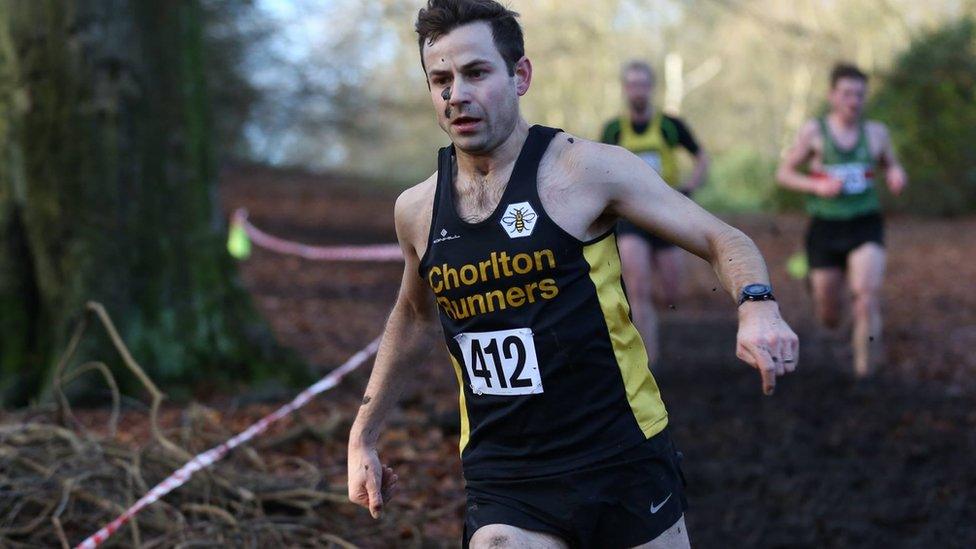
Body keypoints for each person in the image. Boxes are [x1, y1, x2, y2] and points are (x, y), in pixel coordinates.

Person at [347, 1, 798, 547]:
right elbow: (415, 316)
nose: (456, 94)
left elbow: (721, 238)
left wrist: (757, 305)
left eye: (476, 73)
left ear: (520, 76)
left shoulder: (587, 170)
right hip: (506, 473)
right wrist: (362, 437)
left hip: (621, 455)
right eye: (439, 79)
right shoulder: (417, 209)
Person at [776, 63, 907, 378]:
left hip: (865, 224)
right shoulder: (814, 132)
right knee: (830, 316)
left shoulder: (876, 133)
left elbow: (891, 163)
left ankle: (865, 374)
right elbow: (784, 173)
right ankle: (820, 290)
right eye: (847, 93)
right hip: (825, 227)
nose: (854, 100)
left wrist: (895, 173)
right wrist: (817, 185)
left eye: (860, 94)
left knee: (866, 297)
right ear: (832, 95)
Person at [600, 61, 709, 366]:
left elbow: (701, 157)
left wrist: (690, 186)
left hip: (666, 213)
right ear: (625, 89)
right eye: (632, 84)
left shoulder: (669, 124)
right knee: (638, 289)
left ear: (651, 88)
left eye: (643, 84)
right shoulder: (613, 129)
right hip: (630, 217)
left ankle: (657, 323)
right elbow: (599, 168)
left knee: (672, 293)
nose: (637, 90)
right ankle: (650, 364)